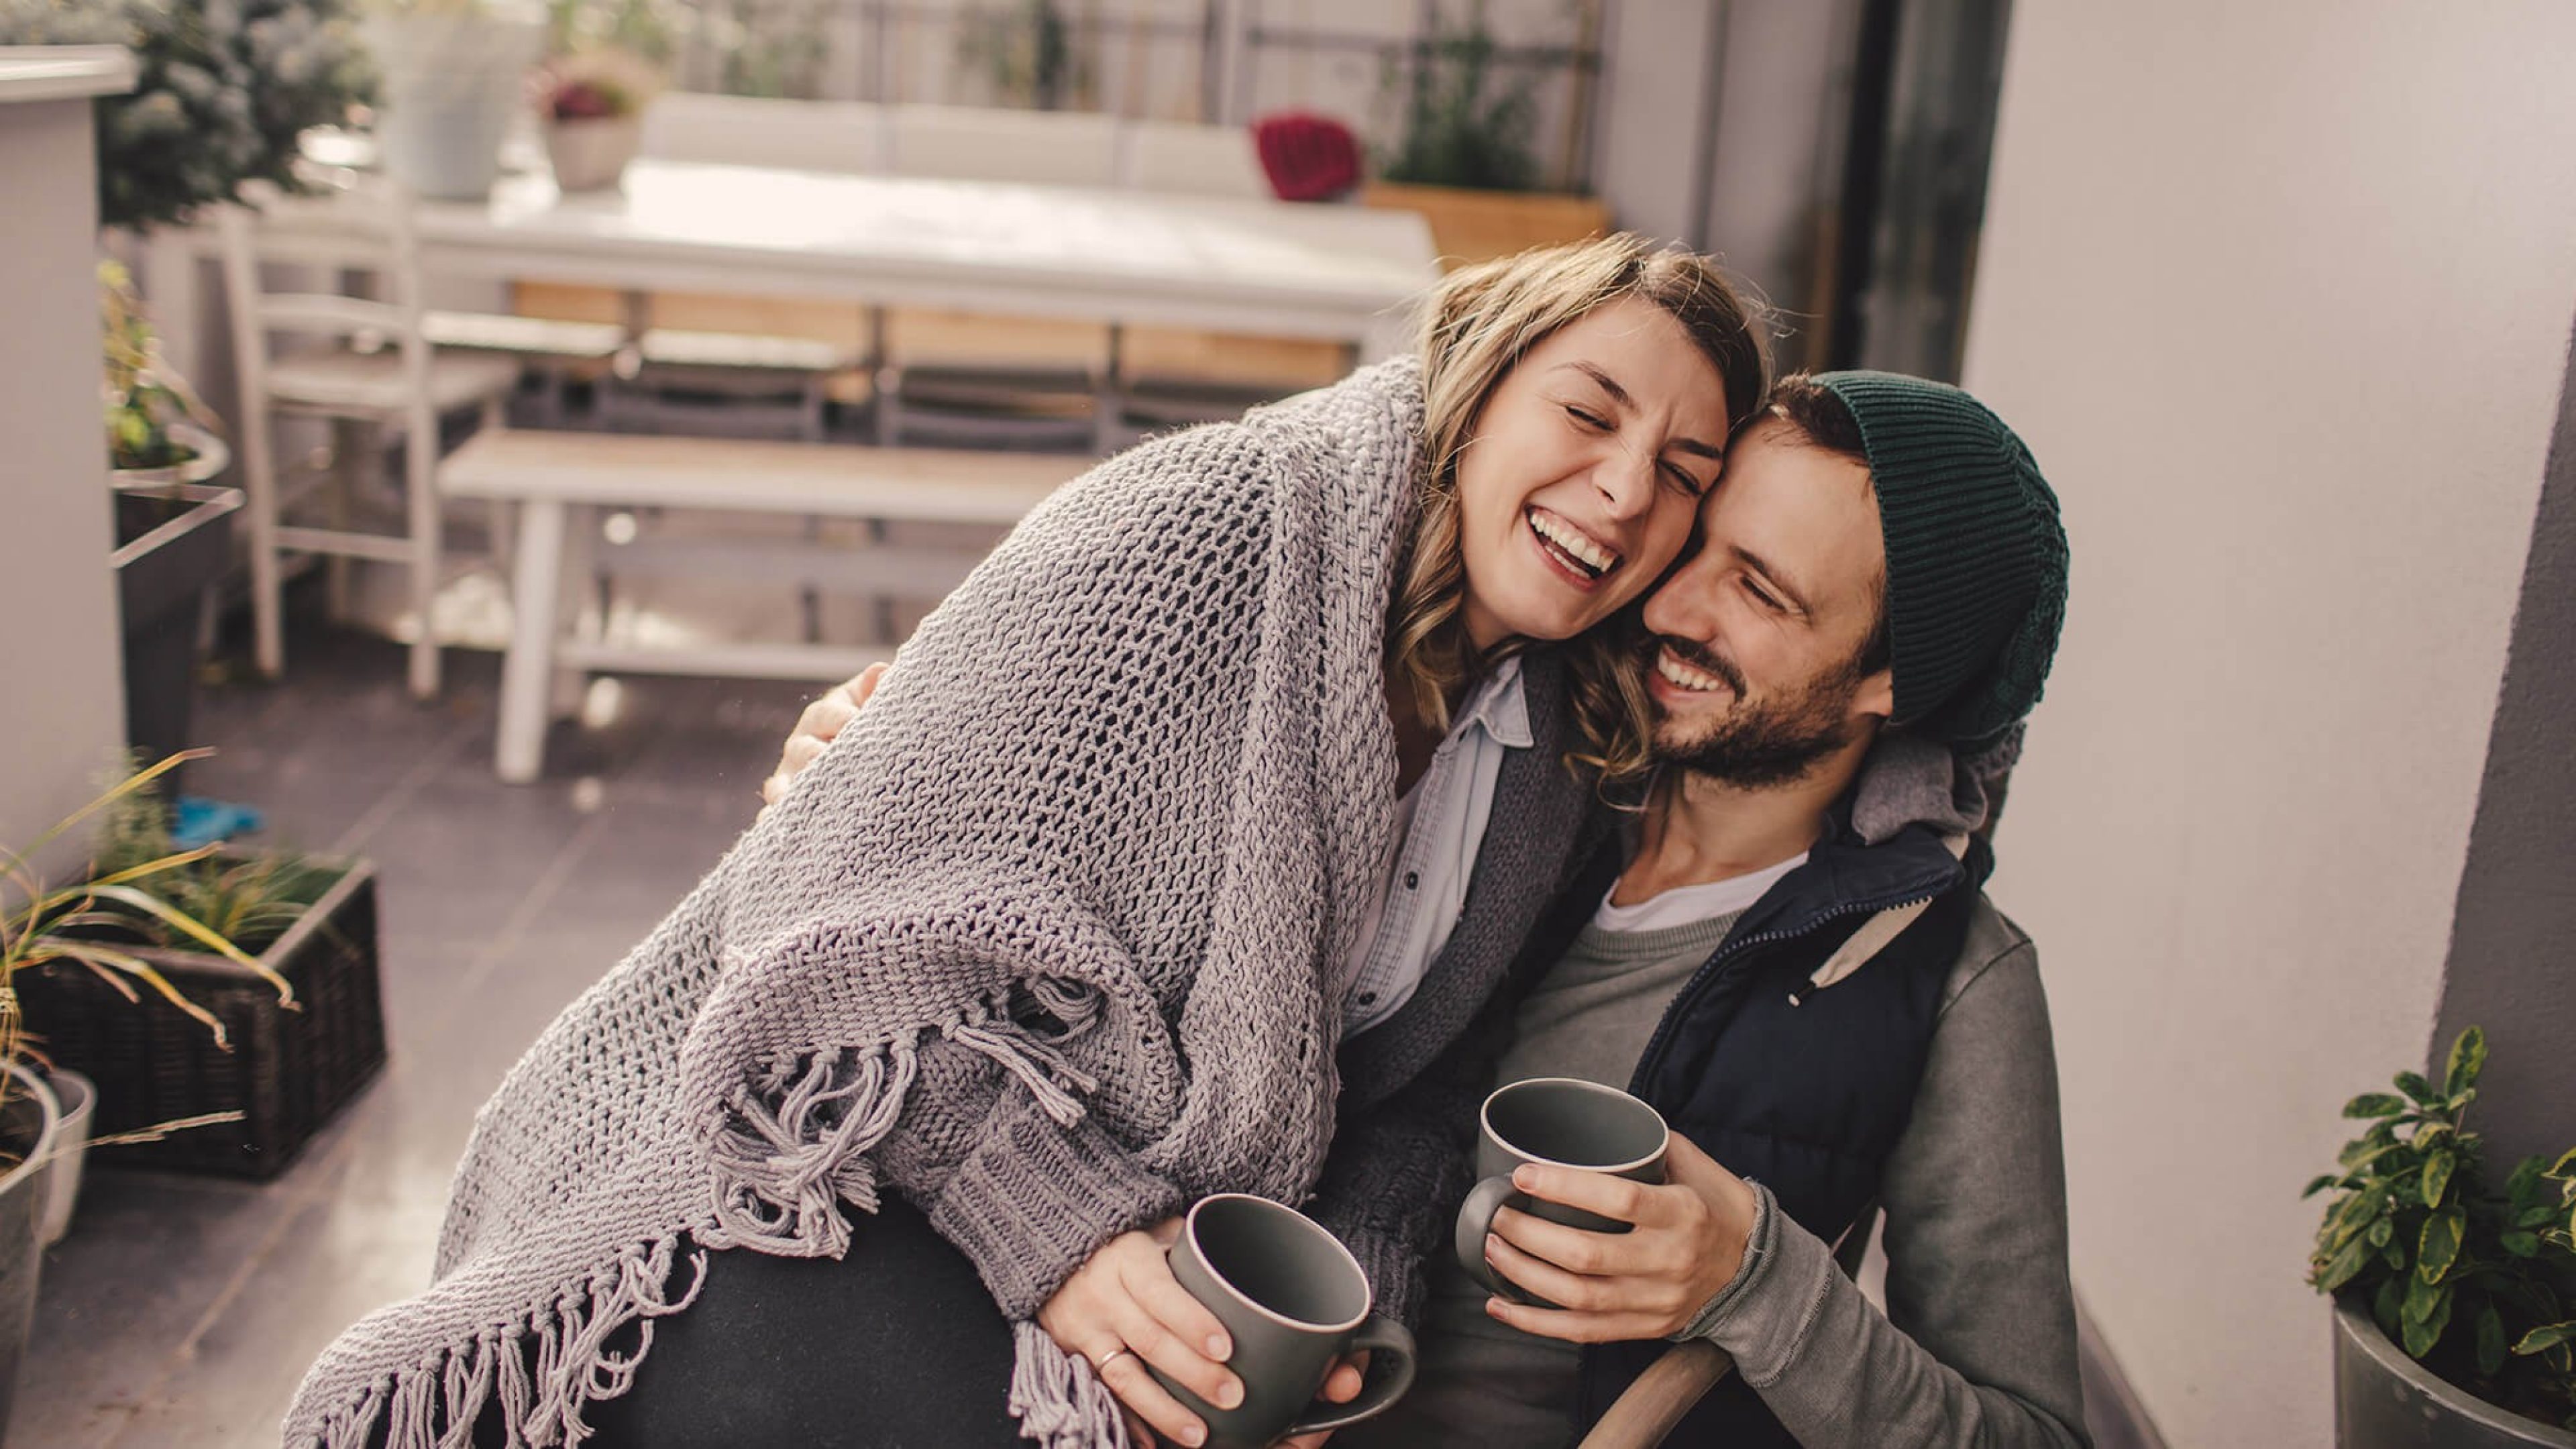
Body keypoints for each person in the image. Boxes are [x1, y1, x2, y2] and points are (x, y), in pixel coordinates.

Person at [281, 235, 1770, 1449]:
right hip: (807, 1151)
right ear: (1476, 384)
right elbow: (829, 926)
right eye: (1588, 413)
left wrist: (1353, 1302)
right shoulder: (1214, 526)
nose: (1628, 488)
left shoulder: (1559, 770)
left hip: (1144, 1221)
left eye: (1687, 470)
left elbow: (1424, 1093)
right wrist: (1060, 1231)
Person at [774, 372, 2086, 1448]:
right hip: (1178, 1370)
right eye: (1699, 543)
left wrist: (1759, 1283)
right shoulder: (1507, 786)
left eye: (1760, 589)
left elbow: (2033, 1433)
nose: (1673, 605)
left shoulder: (1944, 980)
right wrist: (891, 789)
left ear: (1893, 689)